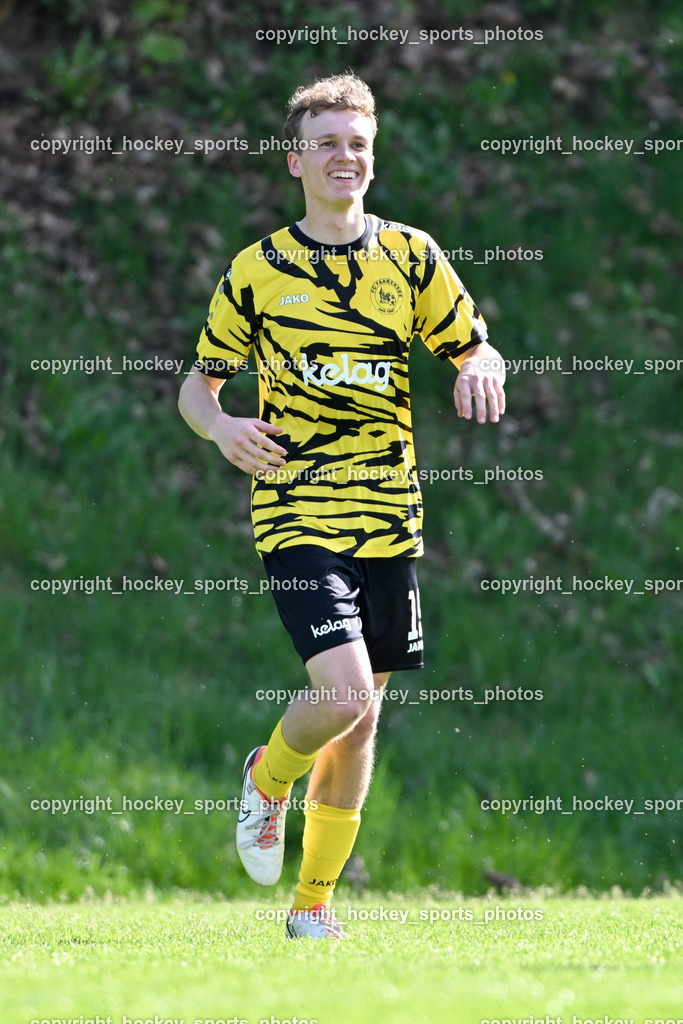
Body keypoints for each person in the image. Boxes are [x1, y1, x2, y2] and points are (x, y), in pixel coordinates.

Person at [178, 73, 506, 939]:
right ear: (295, 161)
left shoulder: (411, 256)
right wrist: (221, 427)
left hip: (388, 515)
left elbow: (473, 345)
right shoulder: (257, 270)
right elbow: (197, 387)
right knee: (345, 695)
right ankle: (267, 778)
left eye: (357, 143)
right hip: (295, 512)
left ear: (372, 156)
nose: (344, 156)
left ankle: (312, 910)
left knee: (362, 725)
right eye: (325, 142)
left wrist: (479, 366)